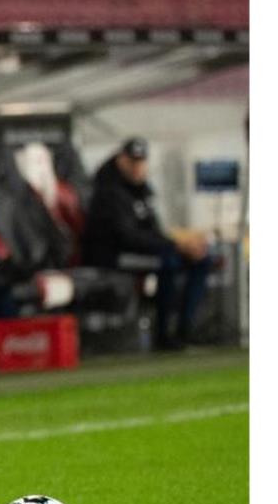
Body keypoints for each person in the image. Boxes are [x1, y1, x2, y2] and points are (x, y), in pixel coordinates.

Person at [83, 137, 212, 350]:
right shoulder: (107, 190)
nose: (137, 167)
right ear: (121, 160)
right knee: (167, 263)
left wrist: (177, 244)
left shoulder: (141, 189)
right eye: (132, 161)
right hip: (111, 255)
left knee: (202, 260)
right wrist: (174, 247)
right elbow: (127, 236)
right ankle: (164, 335)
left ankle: (185, 330)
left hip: (141, 250)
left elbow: (153, 229)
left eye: (141, 162)